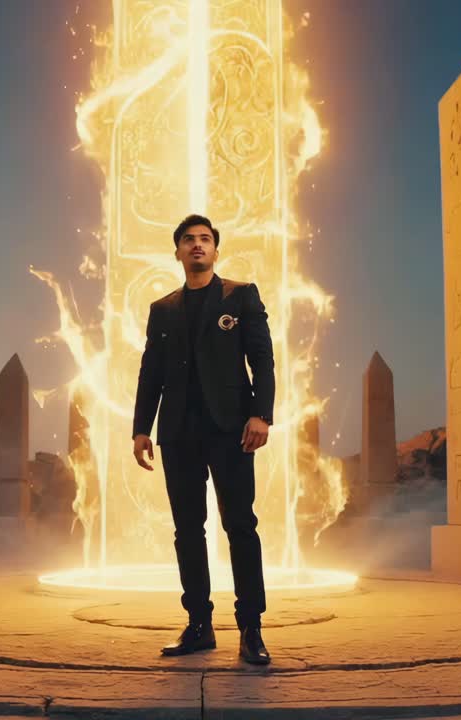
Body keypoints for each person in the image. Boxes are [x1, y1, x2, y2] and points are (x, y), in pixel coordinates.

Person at [131, 213, 274, 665]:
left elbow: (263, 362)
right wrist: (140, 428)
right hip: (177, 433)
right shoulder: (162, 309)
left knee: (241, 527)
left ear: (215, 250)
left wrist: (261, 415)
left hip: (231, 429)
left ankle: (251, 628)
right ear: (177, 251)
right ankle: (199, 625)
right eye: (189, 240)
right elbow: (150, 372)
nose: (197, 245)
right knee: (188, 531)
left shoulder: (241, 296)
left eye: (205, 239)